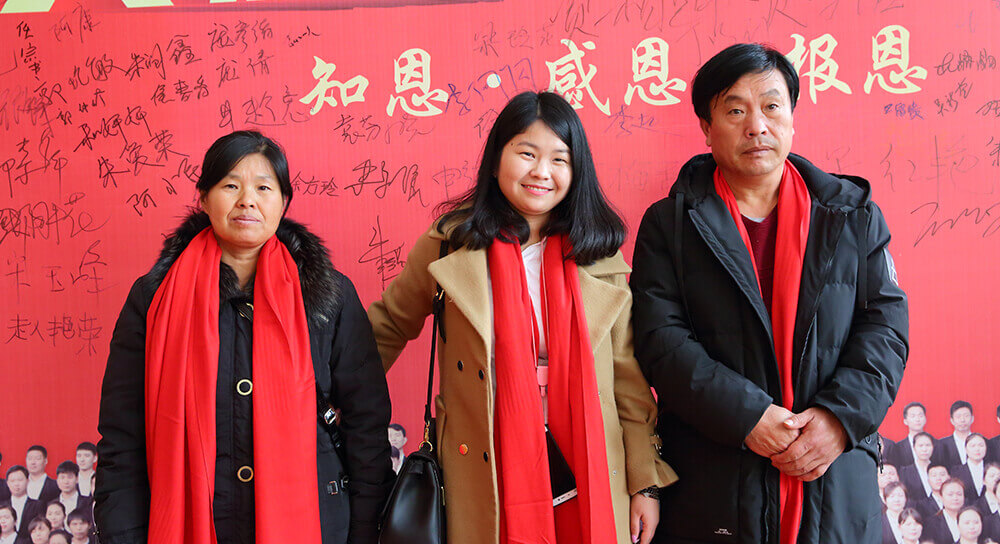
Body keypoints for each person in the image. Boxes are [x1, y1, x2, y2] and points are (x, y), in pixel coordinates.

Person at [368, 91, 677, 544]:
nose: (541, 172)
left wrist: (645, 483)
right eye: (527, 154)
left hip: (589, 458)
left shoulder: (598, 256)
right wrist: (328, 408)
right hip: (483, 460)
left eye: (559, 159)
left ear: (576, 171)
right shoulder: (450, 243)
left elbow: (627, 382)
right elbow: (388, 326)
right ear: (496, 161)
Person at [630, 42, 909, 543]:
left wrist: (838, 420)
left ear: (792, 118)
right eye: (735, 111)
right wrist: (747, 417)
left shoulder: (853, 215)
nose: (756, 126)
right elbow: (660, 341)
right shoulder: (670, 224)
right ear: (706, 127)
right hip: (714, 481)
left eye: (771, 106)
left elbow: (885, 331)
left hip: (834, 477)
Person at [95, 130, 393, 544]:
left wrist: (364, 531)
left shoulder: (329, 296)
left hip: (318, 524)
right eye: (231, 186)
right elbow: (122, 436)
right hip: (192, 523)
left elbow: (367, 426)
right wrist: (122, 535)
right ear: (204, 197)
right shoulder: (154, 298)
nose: (247, 200)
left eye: (263, 188)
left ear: (284, 202)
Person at [923, 478, 966, 544]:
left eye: (959, 494)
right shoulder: (930, 523)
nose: (955, 498)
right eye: (950, 494)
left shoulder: (972, 519)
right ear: (941, 497)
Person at [891, 403, 934, 469]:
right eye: (913, 416)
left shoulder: (936, 444)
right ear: (905, 421)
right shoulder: (898, 447)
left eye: (920, 416)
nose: (917, 419)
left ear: (925, 419)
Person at [5, 467, 42, 541]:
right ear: (7, 483)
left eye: (20, 480)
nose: (16, 484)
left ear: (27, 481)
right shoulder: (2, 506)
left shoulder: (38, 505)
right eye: (12, 481)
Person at [954, 434, 990, 502]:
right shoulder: (956, 472)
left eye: (981, 445)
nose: (977, 449)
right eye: (973, 446)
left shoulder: (993, 470)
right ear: (966, 449)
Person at [938, 401, 975, 468]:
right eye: (958, 416)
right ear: (952, 420)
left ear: (972, 419)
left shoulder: (982, 442)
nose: (962, 420)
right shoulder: (941, 444)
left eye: (966, 416)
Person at [903, 433, 938, 499]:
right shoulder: (905, 472)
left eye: (928, 445)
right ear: (914, 448)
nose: (924, 449)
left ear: (933, 447)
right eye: (920, 446)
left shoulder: (940, 469)